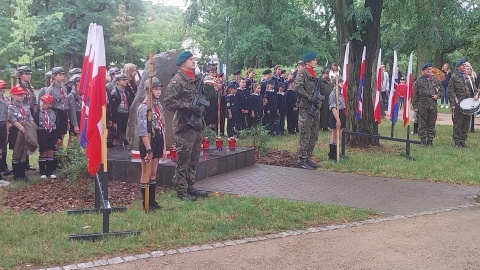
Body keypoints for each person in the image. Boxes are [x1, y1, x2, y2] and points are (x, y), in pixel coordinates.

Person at [164, 51, 209, 201]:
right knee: (183, 161)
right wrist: (188, 106)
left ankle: (190, 187)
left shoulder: (195, 79)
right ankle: (181, 191)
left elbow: (202, 99)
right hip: (184, 126)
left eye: (193, 59)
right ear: (183, 63)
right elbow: (168, 102)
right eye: (190, 59)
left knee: (194, 159)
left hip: (196, 125)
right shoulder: (177, 81)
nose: (193, 61)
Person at [137, 77, 166, 210]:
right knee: (146, 172)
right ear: (148, 91)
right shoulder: (143, 108)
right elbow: (142, 130)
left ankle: (153, 201)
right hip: (148, 141)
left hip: (158, 138)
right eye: (155, 89)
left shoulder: (158, 106)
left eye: (160, 89)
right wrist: (148, 149)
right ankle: (146, 202)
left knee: (153, 172)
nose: (158, 92)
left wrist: (164, 147)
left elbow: (162, 126)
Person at [294, 52, 320, 170]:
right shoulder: (302, 72)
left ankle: (308, 157)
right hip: (305, 107)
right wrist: (309, 97)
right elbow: (298, 87)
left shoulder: (314, 74)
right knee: (305, 134)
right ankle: (301, 159)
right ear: (307, 62)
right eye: (314, 60)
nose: (316, 62)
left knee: (314, 134)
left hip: (314, 107)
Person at [8, 86, 37, 181]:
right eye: (19, 94)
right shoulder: (11, 108)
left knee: (24, 151)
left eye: (23, 94)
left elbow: (30, 118)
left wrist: (31, 127)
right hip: (16, 131)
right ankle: (16, 175)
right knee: (17, 152)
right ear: (12, 95)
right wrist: (21, 128)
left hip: (26, 131)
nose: (22, 96)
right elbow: (12, 120)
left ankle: (22, 174)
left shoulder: (26, 107)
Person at [448, 58, 478, 148]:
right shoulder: (454, 77)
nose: (464, 67)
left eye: (465, 65)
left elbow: (475, 89)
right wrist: (453, 103)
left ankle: (463, 140)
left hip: (468, 103)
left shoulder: (469, 77)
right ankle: (457, 141)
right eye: (462, 65)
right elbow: (451, 91)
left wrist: (476, 95)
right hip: (458, 103)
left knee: (466, 122)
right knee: (458, 122)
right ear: (458, 67)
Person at [412, 63, 443, 146]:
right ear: (423, 71)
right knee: (422, 123)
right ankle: (423, 140)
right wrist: (415, 106)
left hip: (432, 104)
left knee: (431, 123)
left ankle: (430, 140)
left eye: (430, 69)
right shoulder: (419, 81)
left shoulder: (436, 80)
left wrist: (438, 96)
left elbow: (442, 91)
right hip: (422, 104)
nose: (429, 71)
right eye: (427, 69)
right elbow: (415, 94)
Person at [34, 94, 59, 179]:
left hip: (52, 133)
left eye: (46, 103)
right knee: (43, 151)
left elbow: (57, 124)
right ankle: (42, 172)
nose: (43, 104)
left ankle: (50, 171)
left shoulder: (54, 113)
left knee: (51, 152)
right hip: (42, 133)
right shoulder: (37, 114)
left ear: (50, 104)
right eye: (42, 102)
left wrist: (58, 136)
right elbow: (36, 126)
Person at [46, 67, 70, 146]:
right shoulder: (50, 90)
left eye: (63, 74)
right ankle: (55, 155)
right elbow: (47, 103)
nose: (62, 76)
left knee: (63, 134)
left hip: (64, 113)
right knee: (57, 137)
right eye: (60, 75)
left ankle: (60, 154)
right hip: (56, 113)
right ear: (54, 76)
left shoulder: (64, 89)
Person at [110, 73, 133, 146]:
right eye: (123, 80)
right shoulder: (114, 93)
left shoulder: (127, 92)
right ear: (117, 82)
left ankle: (121, 143)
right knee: (117, 133)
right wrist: (114, 121)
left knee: (124, 132)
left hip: (125, 113)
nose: (125, 81)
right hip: (118, 115)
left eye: (126, 80)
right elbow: (112, 108)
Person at [328, 79, 346, 160]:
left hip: (341, 113)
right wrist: (338, 119)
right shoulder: (333, 94)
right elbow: (333, 108)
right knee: (335, 136)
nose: (342, 83)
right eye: (340, 82)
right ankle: (332, 155)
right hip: (336, 115)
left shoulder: (339, 94)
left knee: (339, 136)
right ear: (335, 84)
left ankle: (337, 153)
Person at [67, 74, 82, 145]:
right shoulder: (72, 95)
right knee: (73, 139)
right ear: (76, 83)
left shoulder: (81, 94)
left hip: (81, 117)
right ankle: (70, 155)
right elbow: (72, 112)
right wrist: (75, 125)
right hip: (75, 118)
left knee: (79, 138)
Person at [0, 81, 9, 186]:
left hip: (2, 126)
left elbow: (6, 119)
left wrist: (7, 132)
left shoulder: (4, 104)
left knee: (1, 150)